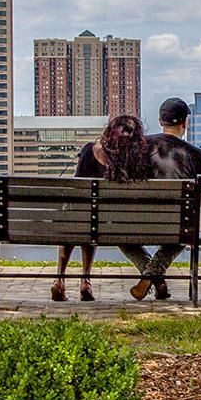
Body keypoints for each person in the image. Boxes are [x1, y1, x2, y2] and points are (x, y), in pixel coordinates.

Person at [59, 114, 155, 301]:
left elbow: (79, 191)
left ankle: (60, 280)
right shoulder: (139, 159)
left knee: (78, 218)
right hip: (118, 225)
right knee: (90, 221)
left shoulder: (89, 151)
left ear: (109, 133)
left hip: (89, 221)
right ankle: (85, 280)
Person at [123, 97, 201, 300]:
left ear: (161, 121)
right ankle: (154, 274)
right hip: (177, 226)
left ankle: (152, 276)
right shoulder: (197, 155)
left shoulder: (139, 148)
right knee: (186, 228)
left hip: (135, 222)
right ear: (185, 123)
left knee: (121, 238)